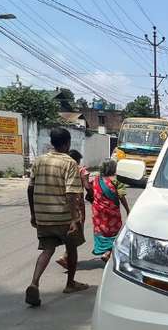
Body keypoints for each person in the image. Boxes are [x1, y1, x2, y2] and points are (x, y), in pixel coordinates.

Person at [26, 127, 88, 306]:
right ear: (68, 143)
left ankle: (34, 283)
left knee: (47, 250)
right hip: (63, 217)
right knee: (72, 248)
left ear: (52, 143)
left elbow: (30, 188)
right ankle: (70, 284)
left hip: (43, 216)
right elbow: (71, 193)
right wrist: (74, 218)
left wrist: (33, 214)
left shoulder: (39, 161)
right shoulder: (70, 163)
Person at [90, 158, 130, 262]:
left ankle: (104, 250)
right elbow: (121, 196)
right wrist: (127, 209)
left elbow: (91, 191)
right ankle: (108, 252)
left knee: (101, 230)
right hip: (112, 213)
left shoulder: (96, 179)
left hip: (98, 211)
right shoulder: (116, 180)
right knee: (114, 232)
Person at [56, 149, 89, 271]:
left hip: (63, 203)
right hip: (76, 203)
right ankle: (66, 256)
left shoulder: (62, 169)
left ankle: (67, 256)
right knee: (76, 230)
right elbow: (87, 186)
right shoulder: (81, 170)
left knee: (70, 229)